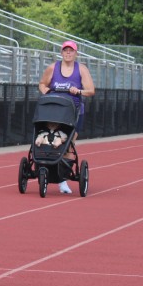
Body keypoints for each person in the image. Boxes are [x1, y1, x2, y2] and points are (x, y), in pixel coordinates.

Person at [38, 40, 95, 194]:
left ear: (76, 53)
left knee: (68, 144)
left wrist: (79, 91)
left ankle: (62, 179)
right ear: (62, 52)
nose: (68, 53)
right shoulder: (53, 68)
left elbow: (91, 90)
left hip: (73, 112)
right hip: (54, 111)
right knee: (49, 140)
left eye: (71, 51)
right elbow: (42, 84)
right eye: (65, 50)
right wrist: (46, 91)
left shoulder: (81, 69)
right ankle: (46, 167)